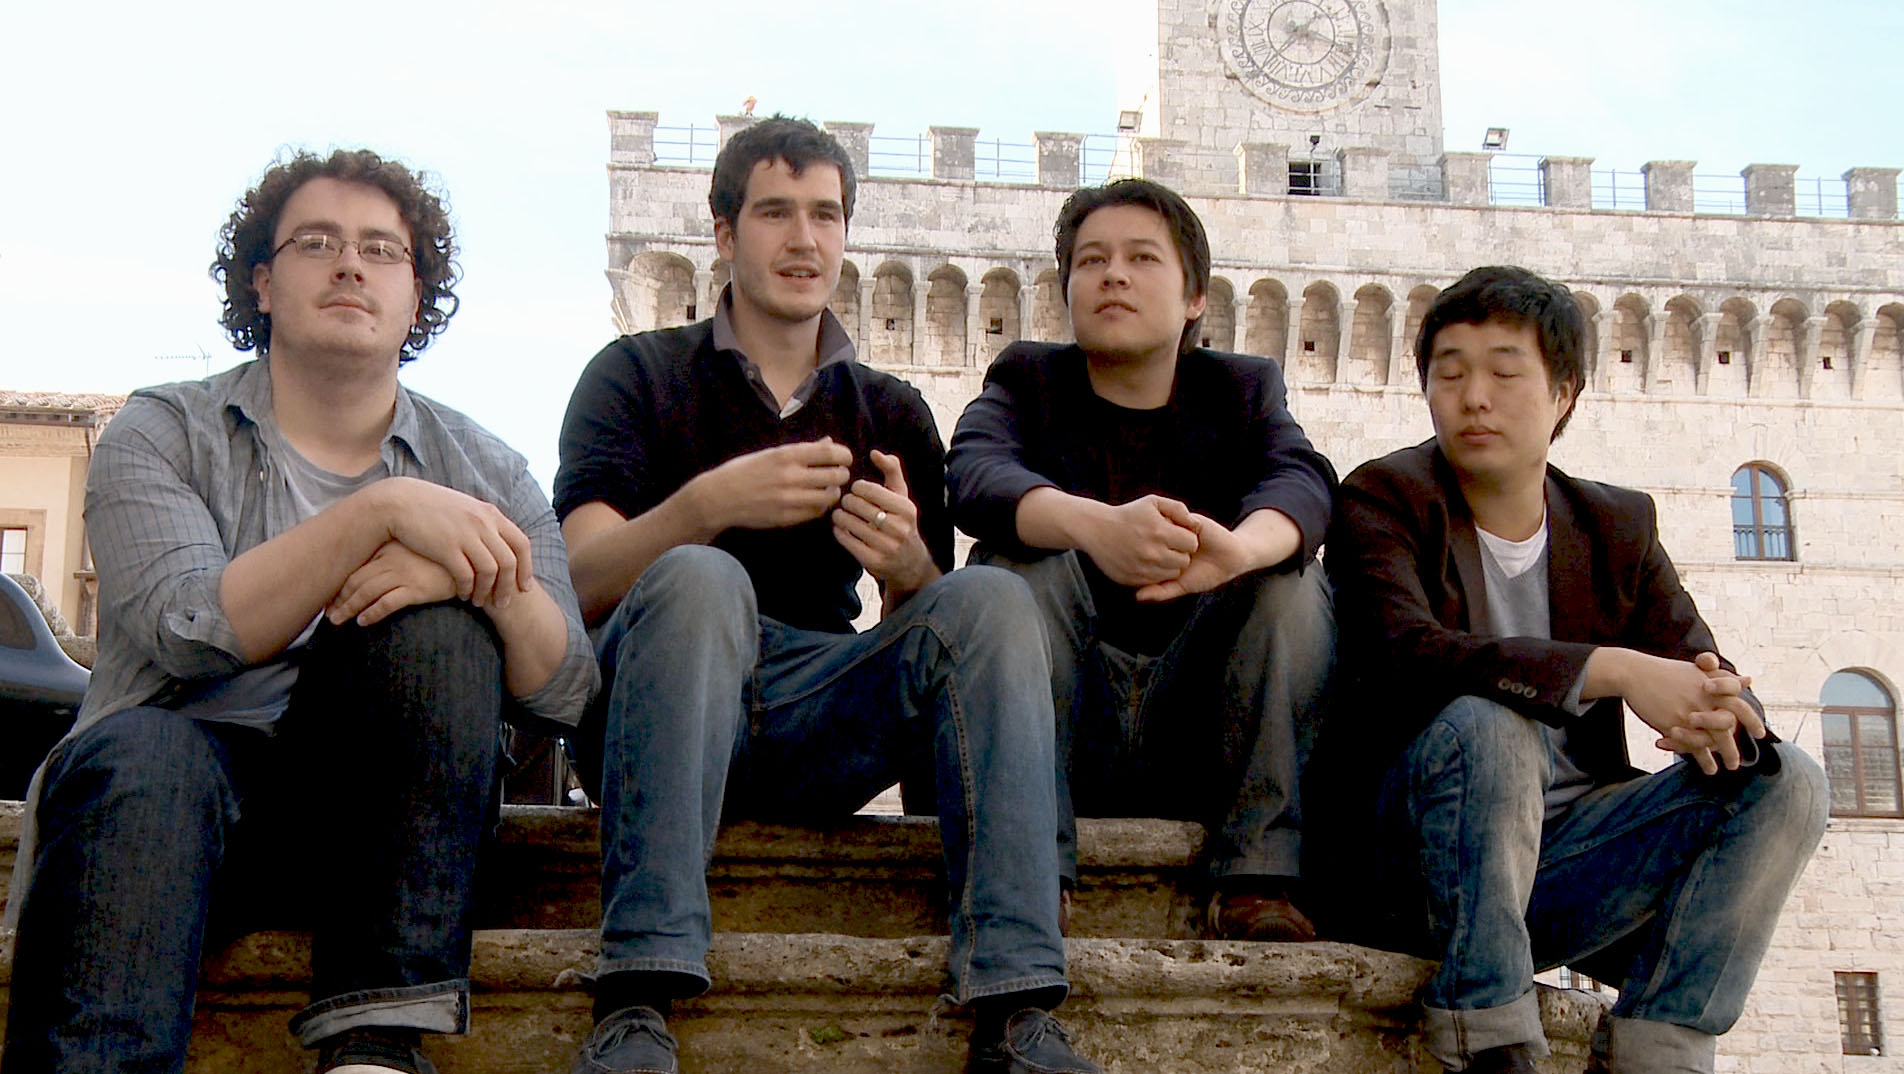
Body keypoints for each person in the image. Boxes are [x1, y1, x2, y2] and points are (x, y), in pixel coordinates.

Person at [0, 149, 596, 1074]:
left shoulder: (487, 470)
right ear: (264, 283)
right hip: (158, 816)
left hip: (383, 836)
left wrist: (469, 577)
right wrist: (381, 513)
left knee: (440, 632)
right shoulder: (162, 431)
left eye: (382, 250)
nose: (350, 264)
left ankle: (375, 1048)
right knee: (146, 750)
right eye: (316, 242)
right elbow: (186, 627)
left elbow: (565, 688)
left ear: (416, 296)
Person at [555, 116, 1097, 1074]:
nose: (803, 239)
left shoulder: (889, 409)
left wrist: (910, 568)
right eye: (775, 213)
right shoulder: (634, 375)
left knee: (991, 601)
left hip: (816, 707)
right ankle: (636, 991)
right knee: (702, 580)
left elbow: (931, 636)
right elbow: (580, 583)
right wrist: (704, 508)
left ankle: (1016, 1008)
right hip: (655, 711)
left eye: (825, 215)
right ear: (724, 233)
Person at [1314, 265, 1827, 1074]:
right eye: (1450, 374)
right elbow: (1405, 653)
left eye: (1504, 373)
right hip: (1418, 869)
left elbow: (1696, 660)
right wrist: (1612, 671)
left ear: (1563, 395)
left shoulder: (1615, 524)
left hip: (1565, 870)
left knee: (1786, 779)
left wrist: (1720, 709)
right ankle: (1488, 1038)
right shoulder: (1383, 499)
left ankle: (1659, 1048)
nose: (1474, 398)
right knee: (1492, 723)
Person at [945, 178, 1336, 941]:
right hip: (1061, 722)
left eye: (1141, 258)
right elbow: (975, 475)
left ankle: (1258, 876)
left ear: (1195, 297)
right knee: (1014, 570)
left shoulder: (1244, 389)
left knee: (1292, 583)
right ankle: (1027, 871)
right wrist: (1093, 527)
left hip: (1201, 728)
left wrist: (1237, 552)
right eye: (1091, 260)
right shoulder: (1027, 379)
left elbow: (1304, 482)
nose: (1113, 275)